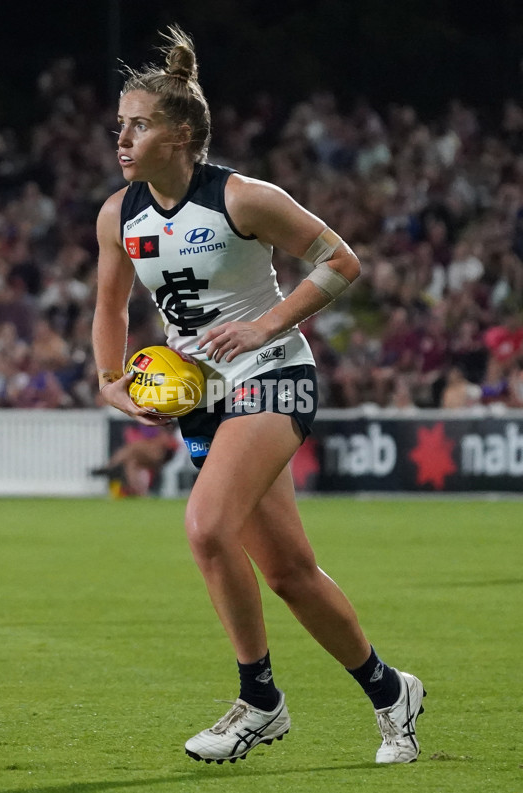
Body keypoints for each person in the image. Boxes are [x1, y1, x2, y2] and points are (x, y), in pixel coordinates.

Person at [92, 25, 425, 766]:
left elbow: (341, 260)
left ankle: (260, 700)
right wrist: (110, 383)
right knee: (290, 574)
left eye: (138, 124)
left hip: (274, 373)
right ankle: (390, 690)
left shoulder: (243, 197)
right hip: (201, 398)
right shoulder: (120, 214)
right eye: (119, 124)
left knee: (207, 526)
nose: (122, 137)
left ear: (180, 133)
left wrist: (266, 323)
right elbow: (111, 307)